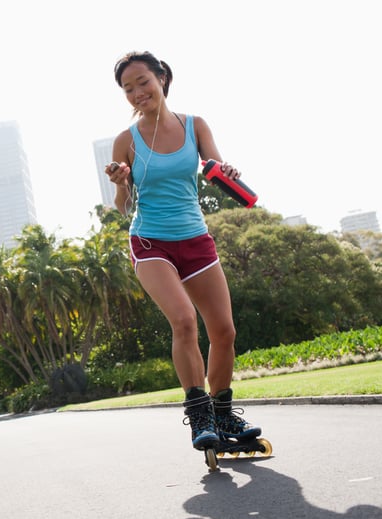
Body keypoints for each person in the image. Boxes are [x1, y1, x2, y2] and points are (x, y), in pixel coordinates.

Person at [105, 51, 261, 451]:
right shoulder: (126, 141)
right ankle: (199, 418)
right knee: (184, 321)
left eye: (143, 82)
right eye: (128, 89)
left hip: (195, 238)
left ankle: (224, 415)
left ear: (162, 78)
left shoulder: (195, 125)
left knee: (224, 331)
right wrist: (122, 184)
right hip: (150, 242)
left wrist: (226, 173)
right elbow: (122, 208)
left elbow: (215, 168)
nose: (137, 92)